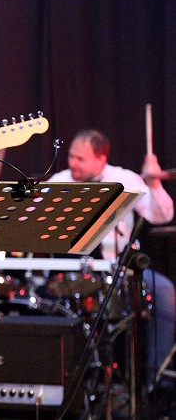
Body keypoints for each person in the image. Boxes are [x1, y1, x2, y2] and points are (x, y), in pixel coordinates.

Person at [48, 129, 175, 394]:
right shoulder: (60, 182)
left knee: (163, 291)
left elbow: (161, 216)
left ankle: (157, 382)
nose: (72, 163)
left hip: (119, 271)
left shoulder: (124, 179)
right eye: (70, 156)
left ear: (101, 158)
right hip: (72, 272)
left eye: (80, 158)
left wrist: (154, 184)